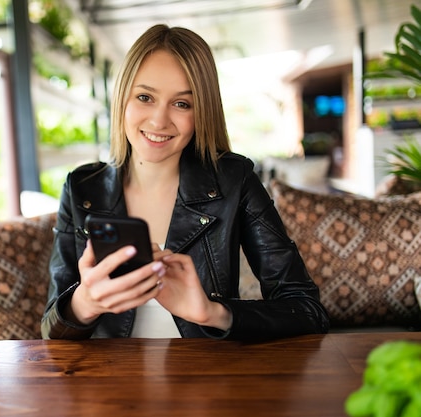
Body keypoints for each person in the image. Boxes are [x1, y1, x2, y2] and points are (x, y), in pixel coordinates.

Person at [41, 24, 330, 341]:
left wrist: (212, 312)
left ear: (202, 111)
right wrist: (84, 303)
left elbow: (307, 311)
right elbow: (50, 330)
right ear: (122, 98)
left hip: (206, 380)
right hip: (110, 381)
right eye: (145, 97)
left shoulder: (234, 181)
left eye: (182, 103)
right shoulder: (82, 188)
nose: (159, 121)